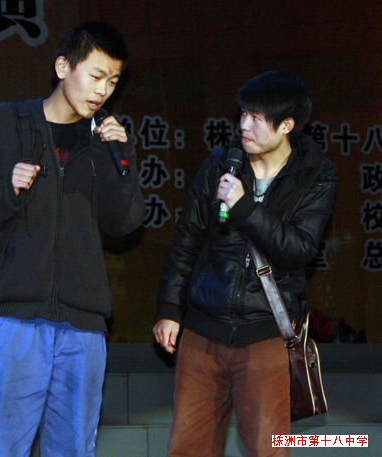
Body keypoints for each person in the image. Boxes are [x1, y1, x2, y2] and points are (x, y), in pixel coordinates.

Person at [0, 22, 145, 457]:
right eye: (96, 75)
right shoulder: (6, 121)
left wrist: (122, 161)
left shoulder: (107, 142)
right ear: (62, 66)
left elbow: (125, 223)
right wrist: (4, 189)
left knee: (74, 449)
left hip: (84, 326)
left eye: (113, 81)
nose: (103, 90)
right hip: (13, 318)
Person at [153, 71, 336, 456]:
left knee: (267, 449)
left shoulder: (314, 176)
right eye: (243, 114)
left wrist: (245, 208)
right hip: (203, 328)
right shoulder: (221, 163)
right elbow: (187, 239)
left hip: (265, 333)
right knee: (187, 447)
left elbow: (299, 249)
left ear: (286, 125)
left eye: (256, 117)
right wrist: (170, 308)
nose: (244, 125)